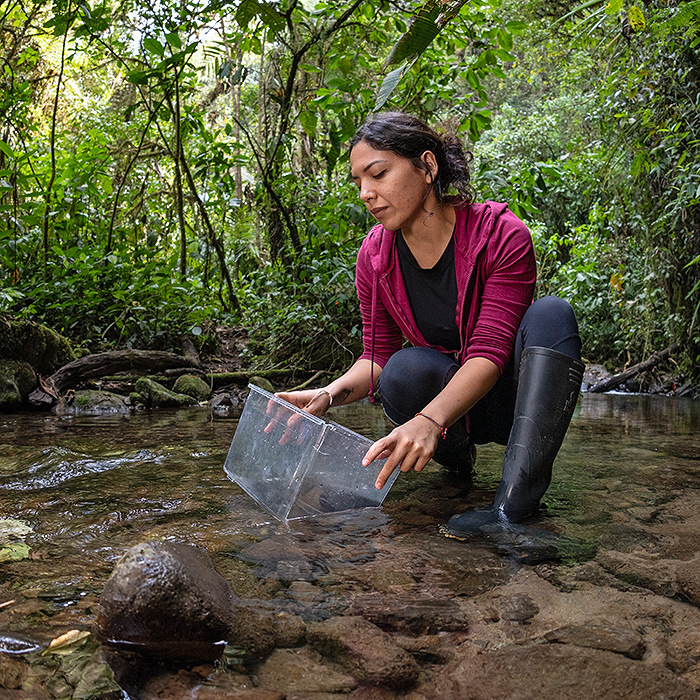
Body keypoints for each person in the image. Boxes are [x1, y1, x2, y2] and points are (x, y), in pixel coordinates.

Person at [274, 111, 584, 536]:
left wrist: (429, 421)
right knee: (402, 370)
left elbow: (490, 353)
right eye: (358, 183)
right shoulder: (374, 257)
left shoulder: (500, 234)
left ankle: (513, 507)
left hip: (509, 400)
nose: (366, 193)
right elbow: (377, 355)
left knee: (552, 314)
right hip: (452, 414)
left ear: (427, 166)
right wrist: (329, 395)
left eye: (378, 174)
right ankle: (458, 468)